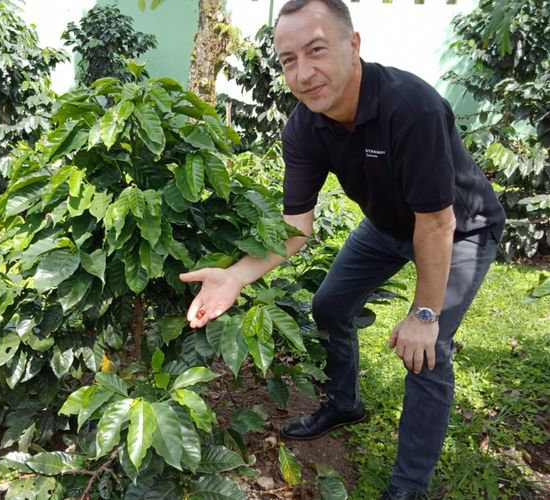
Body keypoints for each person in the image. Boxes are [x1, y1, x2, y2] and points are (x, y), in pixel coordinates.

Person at [179, 0, 506, 498]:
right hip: (387, 224)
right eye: (289, 60)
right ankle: (345, 403)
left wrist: (422, 314)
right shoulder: (305, 126)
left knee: (428, 349)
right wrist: (237, 276)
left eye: (316, 51)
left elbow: (437, 222)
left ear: (352, 46)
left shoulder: (410, 107)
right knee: (329, 304)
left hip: (460, 229)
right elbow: (296, 227)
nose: (304, 73)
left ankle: (407, 488)